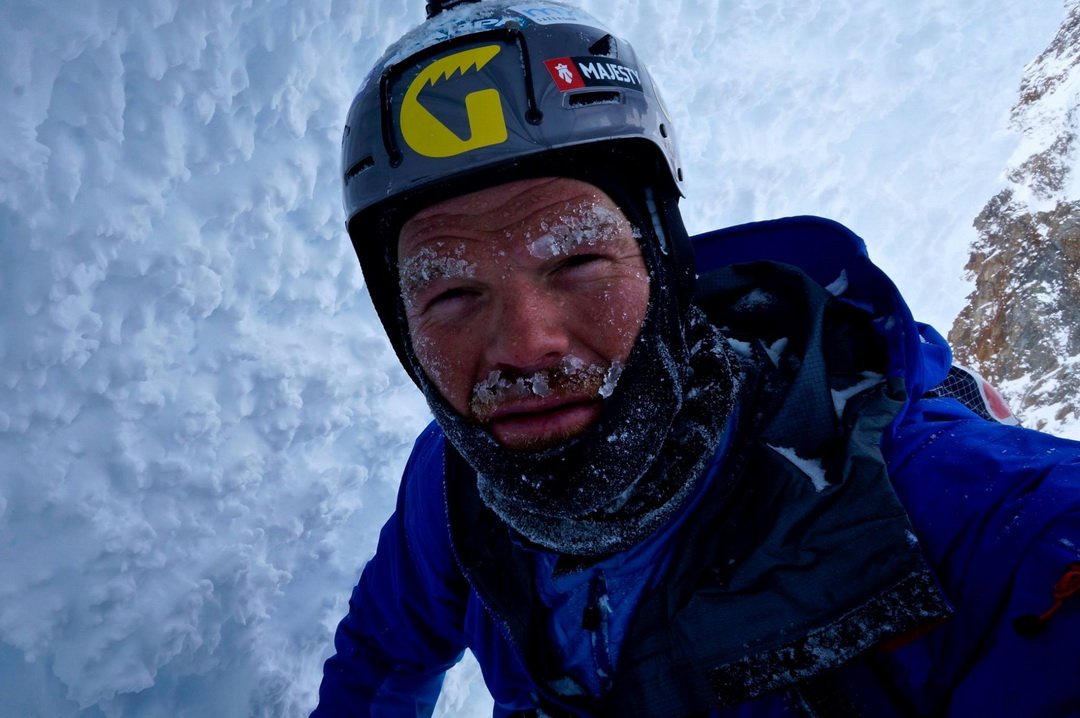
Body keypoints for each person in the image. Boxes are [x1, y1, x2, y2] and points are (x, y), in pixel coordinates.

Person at [313, 1, 1080, 715]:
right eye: (448, 295)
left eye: (577, 260)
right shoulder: (454, 485)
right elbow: (383, 657)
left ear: (664, 263)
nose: (524, 346)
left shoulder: (963, 525)